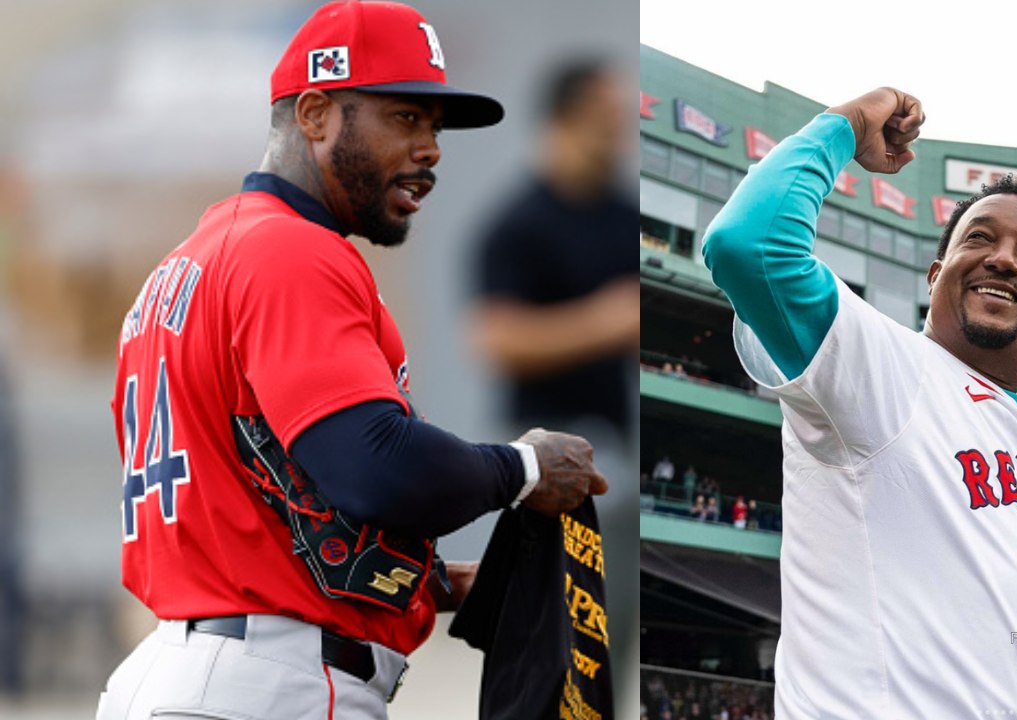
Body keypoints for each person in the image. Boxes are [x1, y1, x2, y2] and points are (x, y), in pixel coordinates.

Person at [97, 4, 607, 719]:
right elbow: (378, 466)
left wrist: (423, 578)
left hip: (191, 670)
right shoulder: (288, 251)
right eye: (404, 117)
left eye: (435, 127)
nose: (430, 148)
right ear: (314, 113)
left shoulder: (188, 264)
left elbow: (264, 491)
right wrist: (524, 469)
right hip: (268, 684)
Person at [702, 87, 1017, 717]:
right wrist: (848, 125)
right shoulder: (885, 368)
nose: (1003, 259)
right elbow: (747, 244)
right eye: (979, 239)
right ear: (936, 274)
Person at [472, 58, 638, 438]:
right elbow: (496, 338)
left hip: (615, 435)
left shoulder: (625, 216)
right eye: (606, 118)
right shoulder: (517, 222)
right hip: (537, 439)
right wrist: (605, 322)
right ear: (566, 118)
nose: (618, 133)